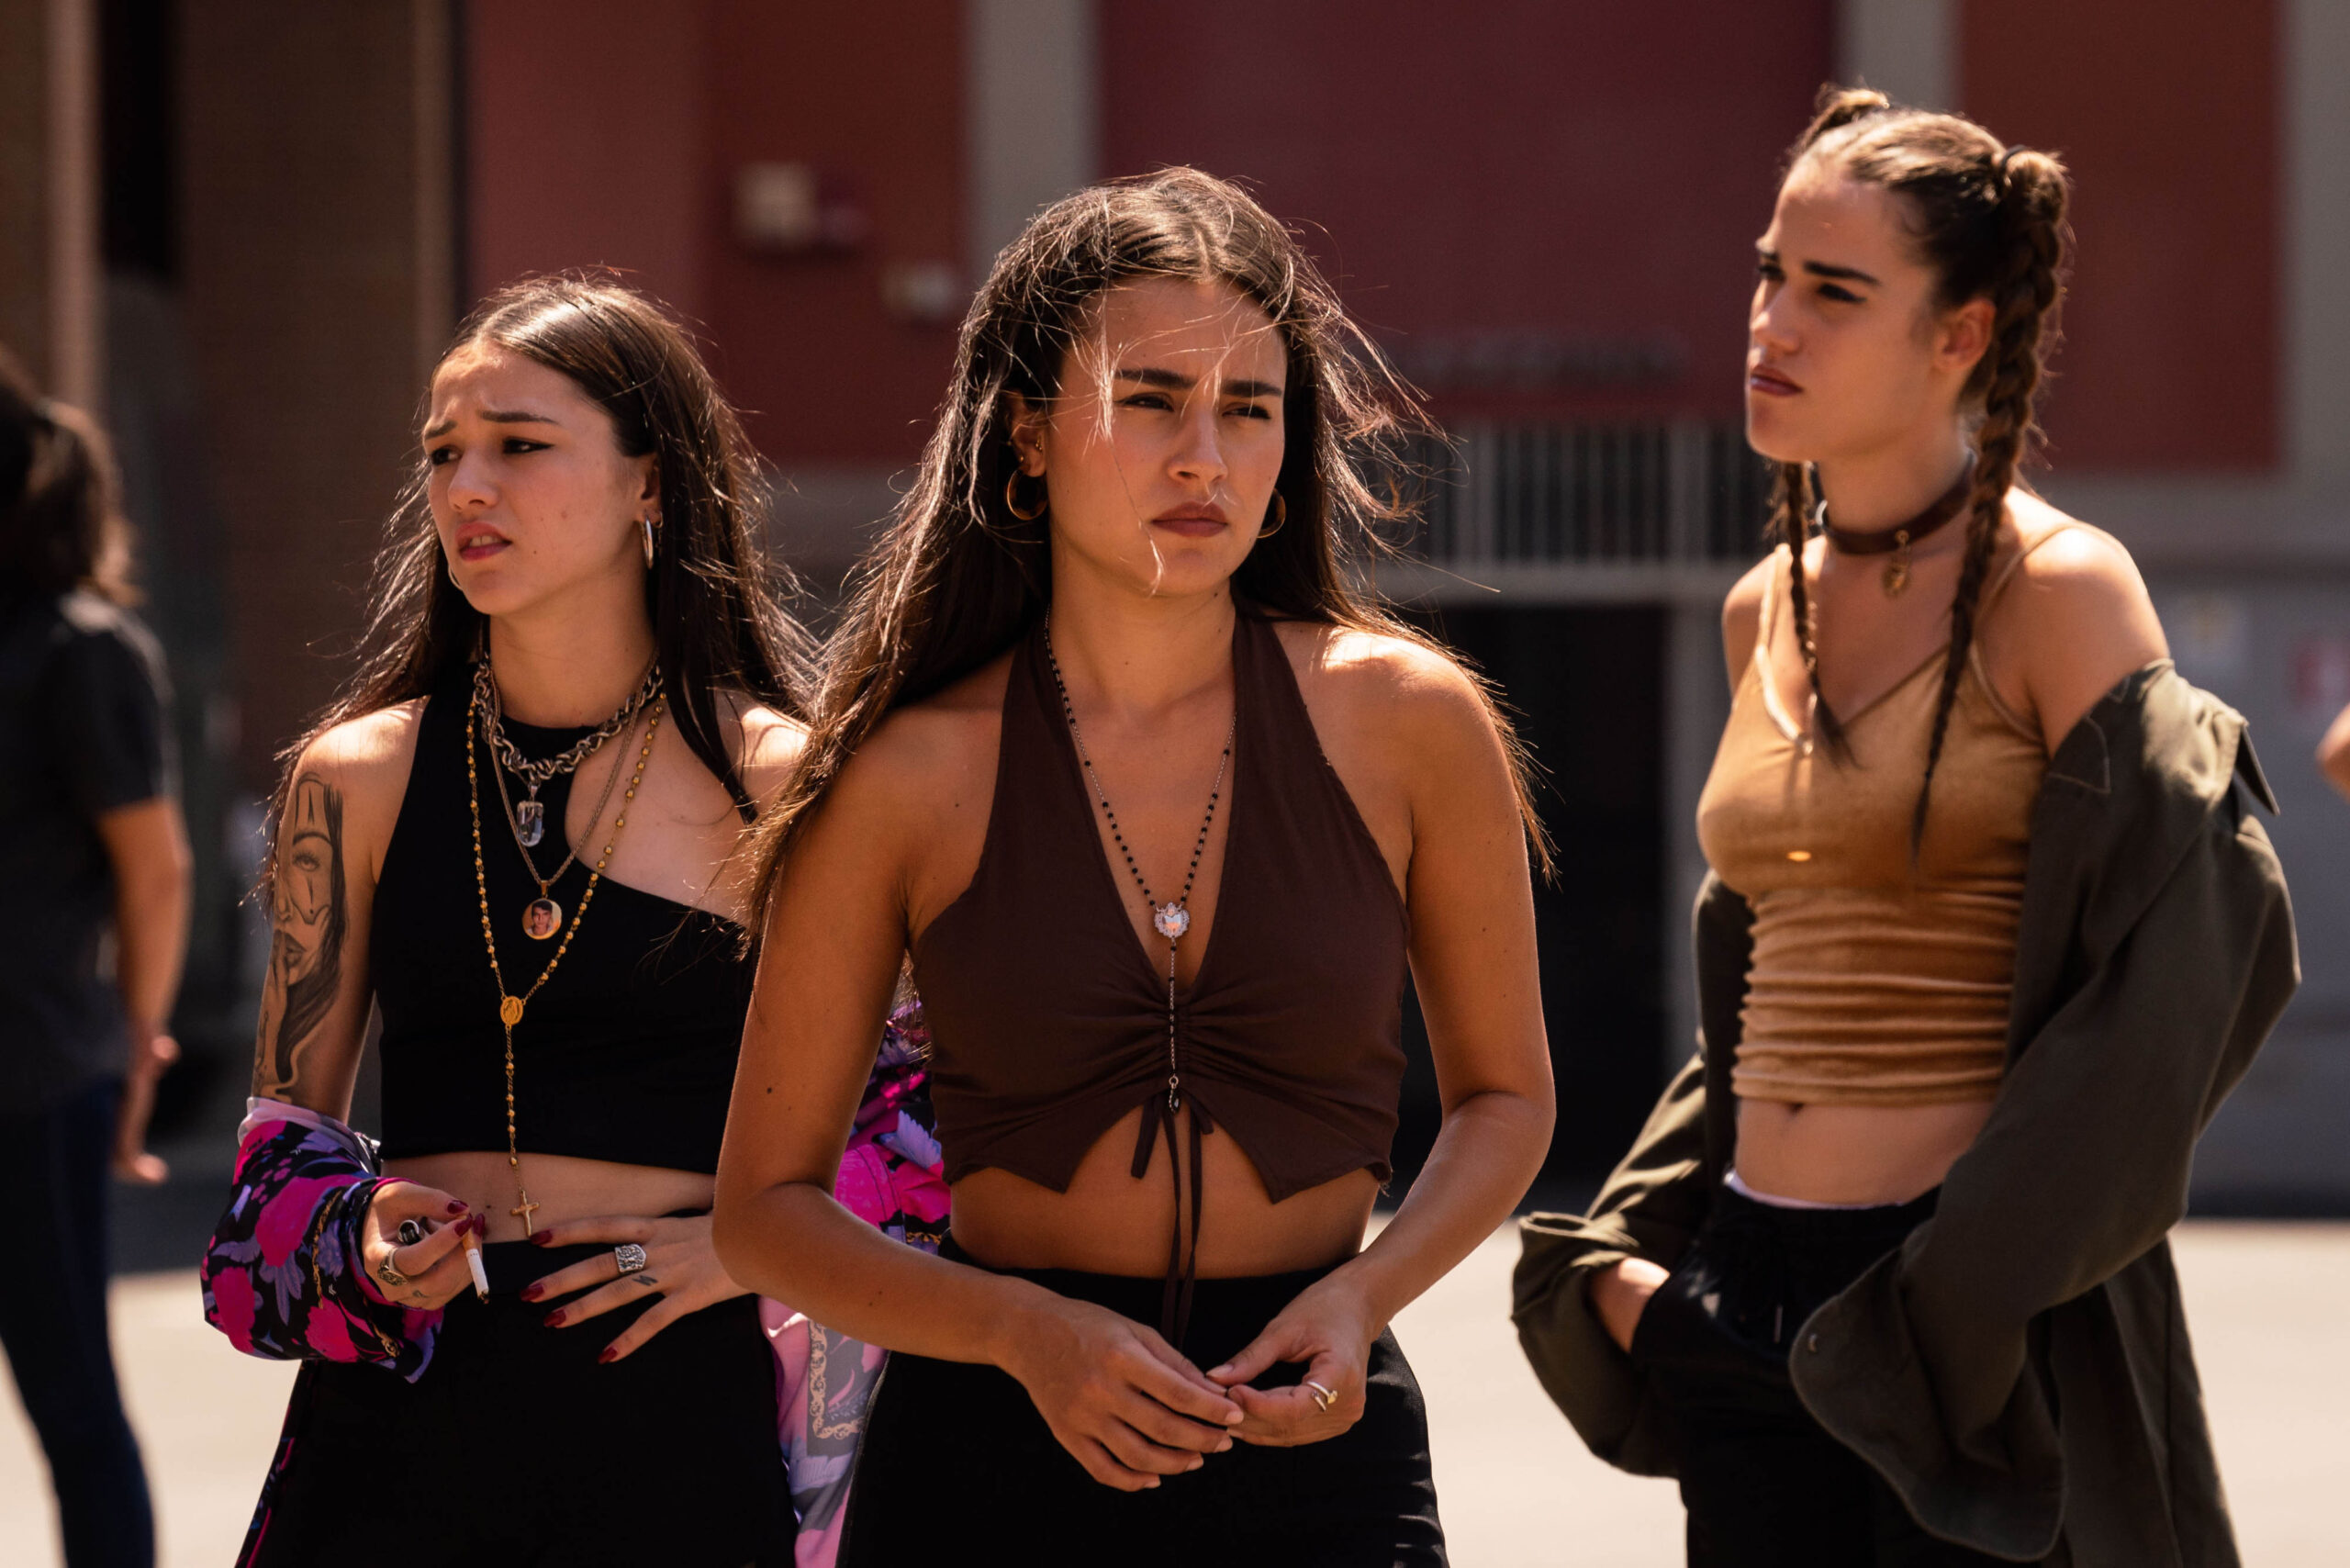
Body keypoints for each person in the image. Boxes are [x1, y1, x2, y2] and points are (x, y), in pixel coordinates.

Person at [711, 167, 1557, 1567]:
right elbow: (766, 1212)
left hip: (1316, 1440)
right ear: (1029, 435)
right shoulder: (907, 772)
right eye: (1152, 399)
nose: (1204, 462)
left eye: (1250, 408)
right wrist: (1022, 1334)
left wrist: (1365, 1300)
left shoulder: (1413, 725)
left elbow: (1510, 1098)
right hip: (993, 1449)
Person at [1514, 89, 2297, 1567]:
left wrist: (1955, 1297)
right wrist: (1637, 1263)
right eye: (1767, 272)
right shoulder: (1763, 606)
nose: (1773, 324)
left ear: (1960, 336)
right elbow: (1755, 989)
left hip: (1966, 1325)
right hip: (1744, 1295)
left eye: (1834, 291)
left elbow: (2188, 982)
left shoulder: (2059, 592)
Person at [198, 277, 843, 1564]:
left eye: (519, 445)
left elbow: (917, 1125)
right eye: (443, 454)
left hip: (675, 1401)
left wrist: (741, 1254)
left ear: (650, 486)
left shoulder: (783, 778)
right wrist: (357, 1235)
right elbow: (272, 1164)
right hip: (406, 1405)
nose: (466, 487)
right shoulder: (356, 776)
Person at [0, 353, 188, 1567]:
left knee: (71, 1406)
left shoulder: (78, 648)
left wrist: (131, 1049)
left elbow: (156, 869)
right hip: (47, 1067)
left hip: (30, 1080)